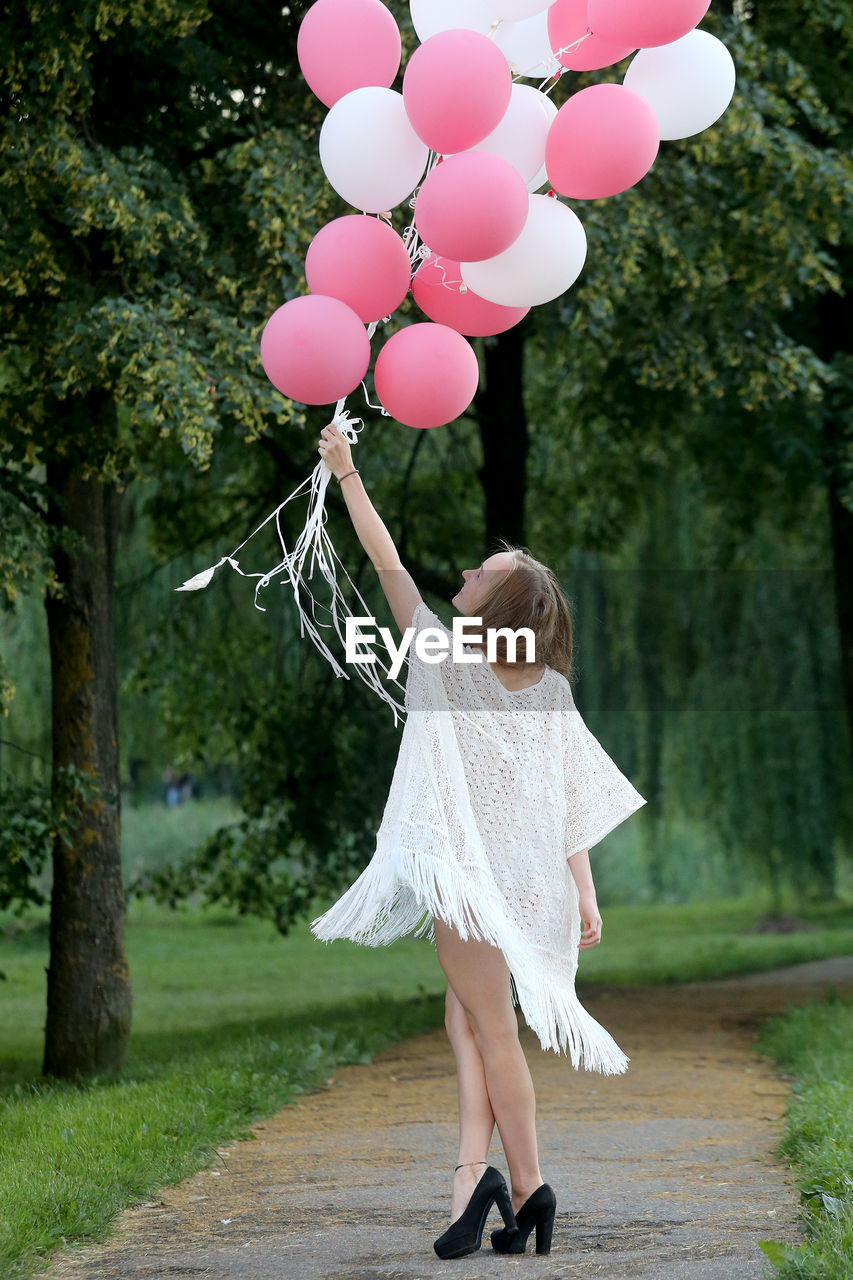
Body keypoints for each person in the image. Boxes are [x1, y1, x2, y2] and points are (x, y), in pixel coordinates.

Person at [310, 421, 647, 1260]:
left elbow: (384, 562)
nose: (464, 572)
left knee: (491, 1032)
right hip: (532, 882)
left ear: (494, 604)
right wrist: (584, 890)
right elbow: (565, 801)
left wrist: (347, 474)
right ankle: (474, 1179)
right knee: (469, 1023)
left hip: (474, 883)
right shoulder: (548, 689)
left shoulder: (442, 658)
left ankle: (526, 1186)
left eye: (480, 573)